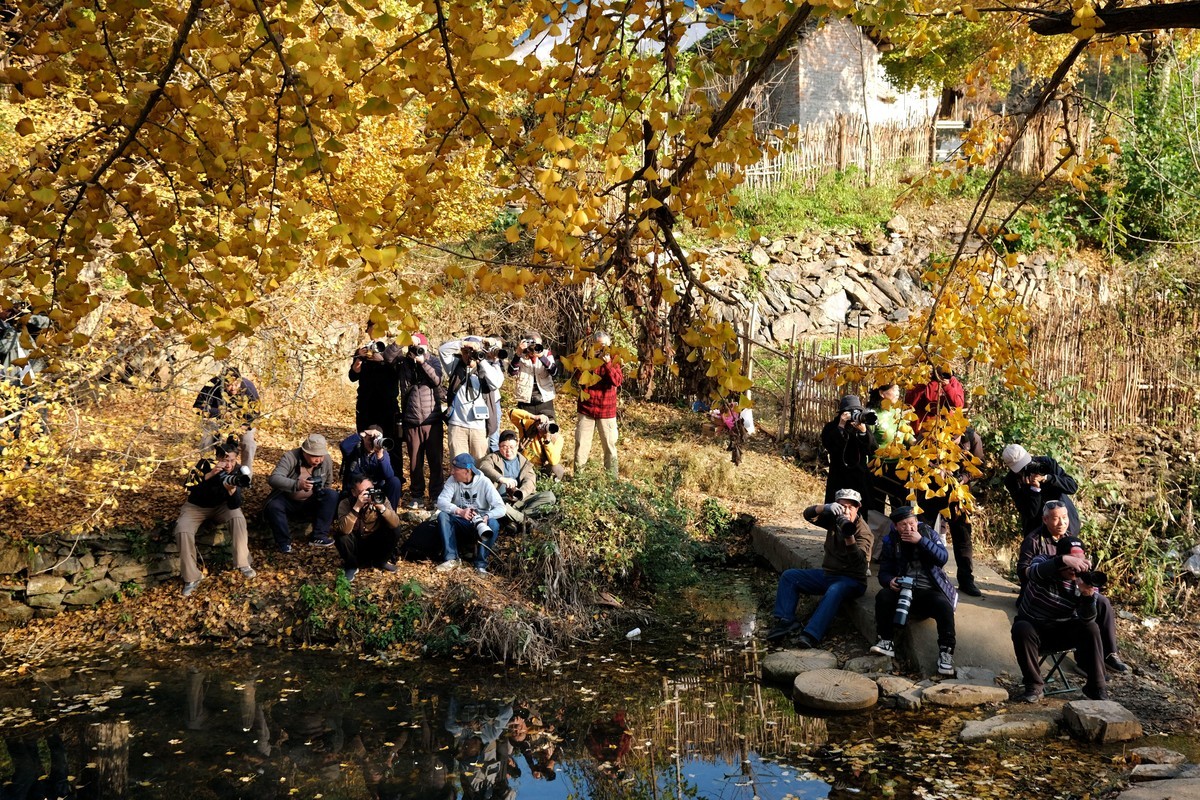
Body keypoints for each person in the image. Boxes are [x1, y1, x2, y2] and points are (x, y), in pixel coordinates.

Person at [1016, 500, 1128, 672]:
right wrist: (1053, 569)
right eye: (1055, 519)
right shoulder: (1034, 540)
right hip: (1042, 590)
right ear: (1045, 520)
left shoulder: (1070, 538)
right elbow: (1024, 572)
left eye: (1065, 517)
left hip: (1070, 590)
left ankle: (1109, 654)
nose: (1061, 523)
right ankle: (1084, 661)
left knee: (1101, 602)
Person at [765, 488, 873, 648]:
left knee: (835, 589)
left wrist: (849, 538)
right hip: (829, 574)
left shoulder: (863, 532)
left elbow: (860, 564)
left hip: (852, 580)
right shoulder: (834, 519)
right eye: (843, 506)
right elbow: (808, 514)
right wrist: (825, 508)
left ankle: (811, 634)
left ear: (858, 507)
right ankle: (786, 620)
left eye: (851, 507)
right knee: (789, 576)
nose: (847, 511)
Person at [1011, 535, 1109, 702]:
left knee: (1091, 627)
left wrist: (1087, 595)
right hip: (1035, 630)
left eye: (1080, 560)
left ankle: (1097, 688)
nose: (1076, 567)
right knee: (1021, 628)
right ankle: (1034, 687)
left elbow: (1087, 619)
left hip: (1063, 632)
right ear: (1059, 557)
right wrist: (1062, 561)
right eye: (1073, 562)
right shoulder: (1043, 562)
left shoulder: (1085, 579)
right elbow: (1032, 573)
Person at [870, 506, 958, 676]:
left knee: (944, 606)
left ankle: (946, 653)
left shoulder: (928, 533)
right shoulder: (891, 540)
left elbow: (942, 558)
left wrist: (921, 541)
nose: (909, 528)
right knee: (883, 596)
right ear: (895, 526)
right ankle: (886, 641)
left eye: (911, 523)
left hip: (929, 591)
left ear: (916, 521)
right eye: (903, 525)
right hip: (904, 591)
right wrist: (890, 581)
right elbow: (884, 573)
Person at [174, 439, 256, 597]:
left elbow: (236, 504)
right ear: (218, 458)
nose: (229, 464)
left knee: (238, 517)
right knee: (182, 530)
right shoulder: (204, 464)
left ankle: (243, 563)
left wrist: (232, 491)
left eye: (232, 460)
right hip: (196, 507)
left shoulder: (238, 471)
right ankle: (192, 578)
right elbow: (188, 486)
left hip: (222, 506)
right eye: (225, 460)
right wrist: (210, 475)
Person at [919, 425, 985, 596]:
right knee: (923, 533)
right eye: (949, 438)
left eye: (956, 438)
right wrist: (933, 468)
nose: (953, 441)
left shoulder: (972, 438)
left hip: (958, 495)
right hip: (930, 493)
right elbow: (915, 459)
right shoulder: (930, 433)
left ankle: (966, 579)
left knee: (963, 536)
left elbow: (979, 468)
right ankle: (922, 574)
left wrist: (962, 478)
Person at [264, 434, 339, 552]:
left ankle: (319, 536)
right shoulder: (290, 457)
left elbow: (328, 483)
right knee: (274, 506)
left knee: (332, 495)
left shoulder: (326, 460)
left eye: (321, 456)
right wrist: (297, 484)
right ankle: (284, 543)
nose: (318, 460)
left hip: (311, 501)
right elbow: (274, 479)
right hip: (287, 499)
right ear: (305, 452)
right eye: (314, 456)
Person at [435, 453, 506, 574]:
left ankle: (480, 564)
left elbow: (501, 508)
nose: (452, 472)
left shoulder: (484, 482)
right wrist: (459, 511)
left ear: (467, 471)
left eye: (456, 469)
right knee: (443, 515)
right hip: (461, 521)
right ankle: (451, 559)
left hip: (480, 524)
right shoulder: (452, 480)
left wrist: (487, 516)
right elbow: (441, 501)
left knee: (493, 524)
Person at [397, 333, 444, 509]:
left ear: (426, 347)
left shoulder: (433, 361)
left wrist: (422, 361)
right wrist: (405, 347)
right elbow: (388, 357)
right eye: (414, 347)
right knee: (415, 462)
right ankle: (417, 495)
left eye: (420, 347)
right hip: (412, 420)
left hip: (432, 421)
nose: (416, 351)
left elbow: (437, 380)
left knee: (435, 461)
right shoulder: (404, 363)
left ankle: (436, 495)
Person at [439, 336, 502, 462]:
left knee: (480, 466)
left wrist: (481, 359)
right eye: (466, 352)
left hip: (479, 427)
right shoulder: (455, 366)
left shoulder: (488, 367)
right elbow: (442, 350)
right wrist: (463, 343)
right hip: (457, 426)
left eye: (471, 352)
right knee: (458, 466)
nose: (469, 355)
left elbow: (496, 383)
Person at [1002, 443, 1081, 536]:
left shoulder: (1046, 463)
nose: (1026, 468)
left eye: (1027, 464)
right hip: (1039, 530)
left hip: (1065, 525)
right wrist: (1034, 490)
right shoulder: (1012, 480)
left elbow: (1072, 487)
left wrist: (1048, 478)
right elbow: (1029, 513)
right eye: (1021, 468)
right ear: (1012, 469)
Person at [573, 330, 623, 475]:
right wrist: (590, 361)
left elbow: (617, 381)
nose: (602, 349)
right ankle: (579, 478)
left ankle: (611, 479)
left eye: (605, 346)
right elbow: (578, 377)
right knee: (581, 444)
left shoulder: (614, 358)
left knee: (609, 445)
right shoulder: (585, 356)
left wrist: (607, 364)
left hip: (606, 410)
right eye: (599, 345)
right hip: (586, 408)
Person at [480, 431, 557, 525]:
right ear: (499, 446)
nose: (508, 451)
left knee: (549, 496)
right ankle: (528, 522)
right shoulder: (493, 458)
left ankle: (515, 520)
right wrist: (501, 479)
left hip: (519, 500)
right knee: (501, 508)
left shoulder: (523, 461)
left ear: (517, 445)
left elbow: (530, 481)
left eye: (511, 447)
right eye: (504, 447)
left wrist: (520, 494)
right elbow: (483, 466)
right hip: (500, 501)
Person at [334, 475, 401, 582]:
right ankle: (351, 566)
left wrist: (381, 507)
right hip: (356, 545)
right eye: (362, 491)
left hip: (375, 542)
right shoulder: (345, 503)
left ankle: (382, 561)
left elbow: (395, 523)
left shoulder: (381, 498)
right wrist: (357, 507)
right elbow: (344, 530)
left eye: (369, 490)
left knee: (394, 529)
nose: (367, 494)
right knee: (341, 535)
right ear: (354, 492)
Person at [193, 366, 260, 471]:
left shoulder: (248, 387)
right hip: (216, 421)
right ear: (222, 382)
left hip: (241, 423)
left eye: (236, 384)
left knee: (249, 444)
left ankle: (246, 477)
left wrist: (245, 426)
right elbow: (198, 407)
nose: (233, 388)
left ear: (240, 380)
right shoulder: (212, 385)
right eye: (228, 385)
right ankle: (208, 471)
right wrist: (222, 413)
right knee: (206, 441)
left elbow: (255, 413)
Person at [348, 321, 401, 447]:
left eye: (379, 328)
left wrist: (382, 359)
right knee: (365, 441)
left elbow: (396, 374)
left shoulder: (392, 351)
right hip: (366, 405)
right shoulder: (362, 350)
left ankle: (389, 466)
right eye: (372, 328)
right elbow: (352, 376)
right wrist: (358, 362)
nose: (375, 331)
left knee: (389, 443)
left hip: (387, 405)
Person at [865, 383, 912, 515]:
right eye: (894, 389)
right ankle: (877, 535)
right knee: (876, 508)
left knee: (901, 507)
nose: (898, 392)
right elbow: (866, 442)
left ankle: (898, 535)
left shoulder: (898, 411)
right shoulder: (872, 414)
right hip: (878, 468)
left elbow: (908, 435)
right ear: (882, 393)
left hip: (899, 468)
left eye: (898, 389)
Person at [820, 395, 874, 504]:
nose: (853, 414)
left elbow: (872, 449)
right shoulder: (831, 427)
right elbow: (830, 446)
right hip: (839, 473)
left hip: (860, 474)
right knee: (837, 507)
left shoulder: (862, 426)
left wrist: (863, 432)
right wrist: (841, 426)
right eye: (850, 412)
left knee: (860, 508)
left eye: (857, 411)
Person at [339, 425, 402, 508]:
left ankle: (390, 515)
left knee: (395, 481)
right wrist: (362, 434)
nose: (372, 443)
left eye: (376, 440)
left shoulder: (382, 453)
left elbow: (389, 476)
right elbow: (343, 446)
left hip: (376, 490)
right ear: (364, 438)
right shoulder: (354, 449)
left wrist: (380, 456)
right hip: (356, 490)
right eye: (370, 439)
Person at [508, 331, 557, 419]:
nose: (535, 347)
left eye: (539, 345)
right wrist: (518, 354)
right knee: (527, 430)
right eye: (533, 344)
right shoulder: (520, 356)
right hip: (526, 401)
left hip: (545, 400)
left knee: (548, 429)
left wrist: (542, 357)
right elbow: (512, 372)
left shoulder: (546, 354)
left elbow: (554, 372)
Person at [905, 366, 965, 434]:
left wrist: (947, 386)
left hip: (947, 426)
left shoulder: (952, 382)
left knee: (973, 439)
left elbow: (958, 405)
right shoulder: (922, 380)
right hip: (924, 427)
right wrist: (922, 386)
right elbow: (909, 404)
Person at [510, 407, 566, 480]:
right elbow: (511, 413)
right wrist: (533, 417)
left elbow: (554, 461)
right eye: (544, 423)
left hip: (542, 468)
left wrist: (547, 441)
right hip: (524, 464)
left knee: (557, 469)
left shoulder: (557, 438)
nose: (546, 427)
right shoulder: (529, 425)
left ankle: (547, 487)